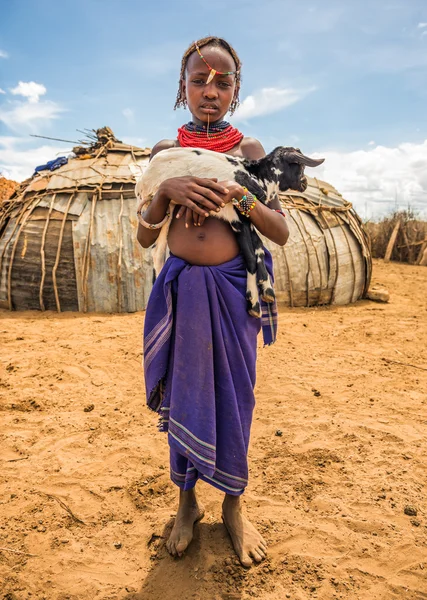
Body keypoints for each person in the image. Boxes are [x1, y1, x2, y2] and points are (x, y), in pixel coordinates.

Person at [137, 36, 289, 567]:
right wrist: (166, 190)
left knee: (233, 399)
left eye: (222, 82)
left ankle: (233, 507)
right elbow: (143, 234)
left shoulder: (248, 154)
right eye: (199, 80)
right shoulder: (164, 155)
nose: (210, 90)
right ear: (183, 88)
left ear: (236, 91)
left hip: (232, 295)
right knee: (186, 393)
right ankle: (186, 505)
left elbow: (282, 232)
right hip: (181, 293)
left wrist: (241, 194)